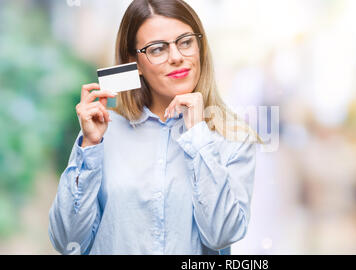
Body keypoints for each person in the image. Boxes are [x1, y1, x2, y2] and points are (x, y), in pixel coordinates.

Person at [48, 0, 259, 255]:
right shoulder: (104, 133)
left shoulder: (233, 139)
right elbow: (67, 242)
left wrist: (198, 135)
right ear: (133, 62)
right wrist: (90, 147)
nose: (177, 57)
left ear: (200, 47)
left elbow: (221, 235)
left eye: (185, 42)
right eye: (157, 49)